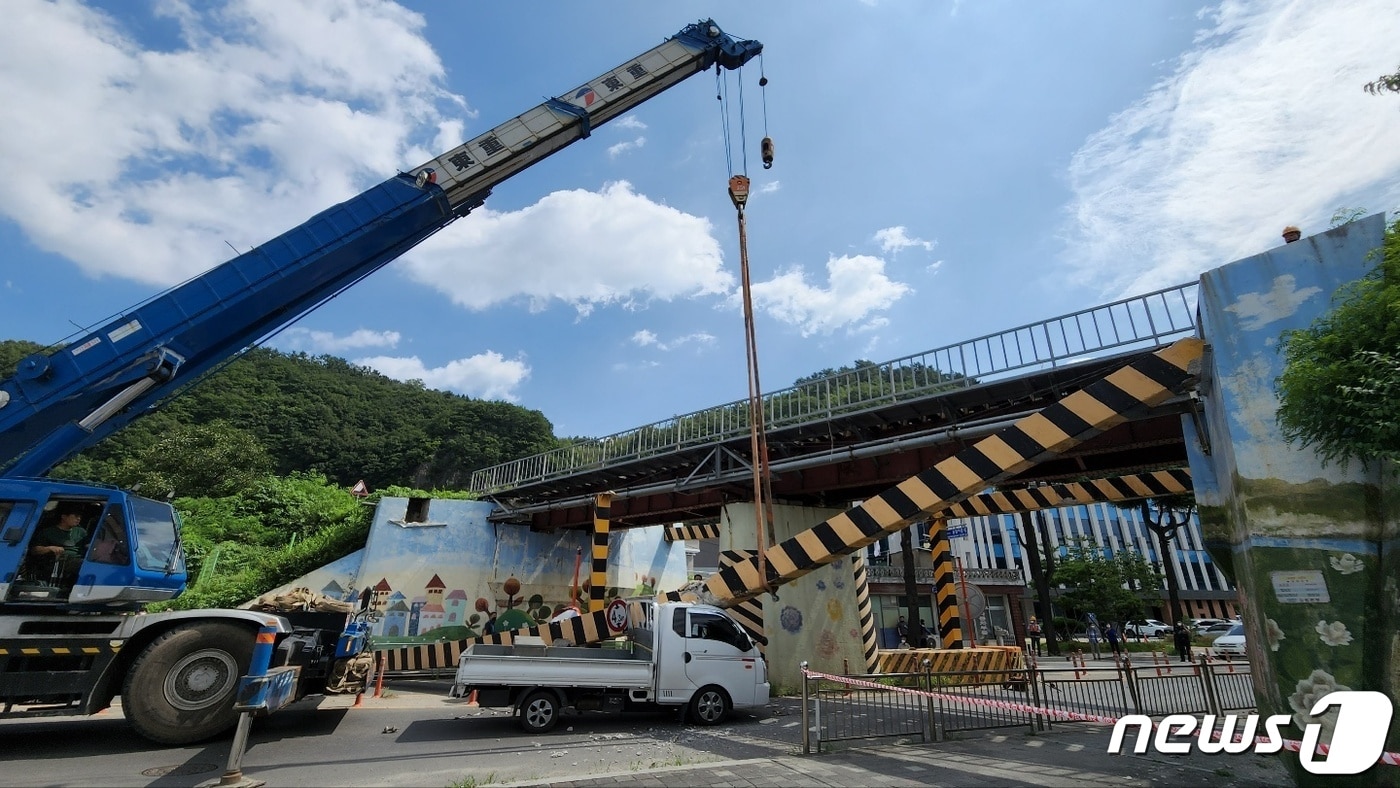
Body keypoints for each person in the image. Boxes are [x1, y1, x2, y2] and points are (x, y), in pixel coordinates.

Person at [30, 506, 88, 583]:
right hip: (57, 561)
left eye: (80, 517)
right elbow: (34, 550)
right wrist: (50, 548)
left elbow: (88, 545)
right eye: (76, 516)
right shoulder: (48, 532)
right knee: (83, 565)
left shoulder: (81, 532)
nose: (78, 519)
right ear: (64, 517)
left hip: (78, 559)